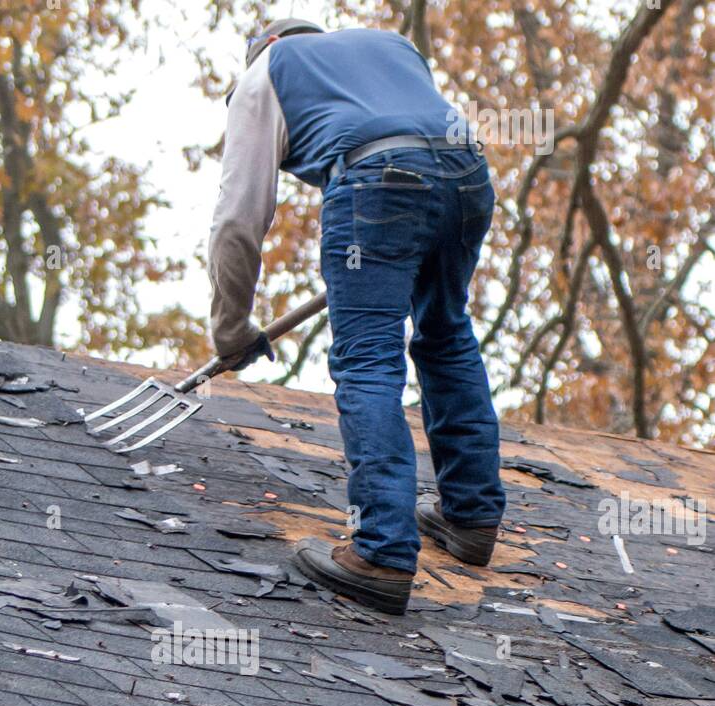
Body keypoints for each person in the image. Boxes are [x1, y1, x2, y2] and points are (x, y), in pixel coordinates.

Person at [208, 18, 505, 615]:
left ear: (261, 49)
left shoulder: (265, 74)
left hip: (376, 182)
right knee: (446, 331)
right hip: (467, 174)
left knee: (367, 356)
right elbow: (418, 139)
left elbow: (238, 220)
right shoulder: (387, 45)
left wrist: (231, 331)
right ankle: (469, 517)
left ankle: (381, 553)